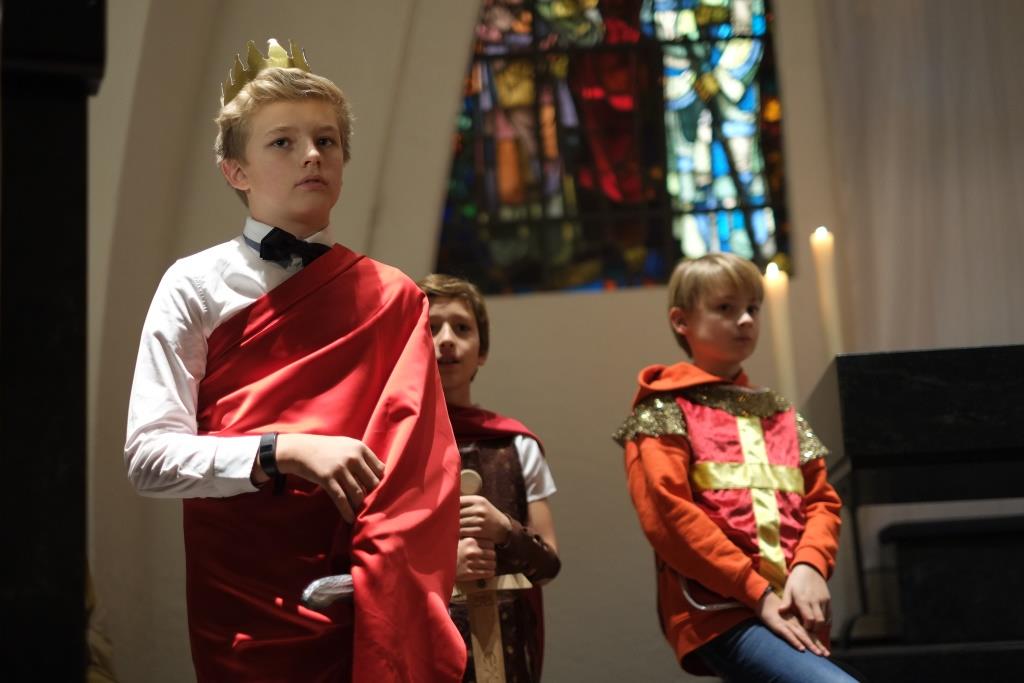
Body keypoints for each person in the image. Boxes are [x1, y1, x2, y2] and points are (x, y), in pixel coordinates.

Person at [124, 39, 465, 682]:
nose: (312, 154)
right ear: (236, 171)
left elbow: (421, 473)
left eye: (326, 141)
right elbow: (148, 460)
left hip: (366, 592)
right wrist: (281, 450)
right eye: (283, 141)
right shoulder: (192, 286)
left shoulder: (393, 297)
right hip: (243, 602)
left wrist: (386, 579)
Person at [613, 253, 857, 682]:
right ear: (681, 321)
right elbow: (669, 516)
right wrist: (756, 590)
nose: (745, 320)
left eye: (753, 309)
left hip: (791, 605)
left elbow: (821, 500)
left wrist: (810, 565)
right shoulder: (664, 409)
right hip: (722, 610)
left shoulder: (779, 412)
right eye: (725, 308)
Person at [418, 274, 561, 682]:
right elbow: (366, 561)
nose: (447, 339)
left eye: (462, 328)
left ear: (481, 351)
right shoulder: (391, 447)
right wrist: (442, 567)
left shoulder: (516, 445)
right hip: (422, 647)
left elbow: (548, 565)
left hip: (506, 644)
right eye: (431, 328)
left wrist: (504, 530)